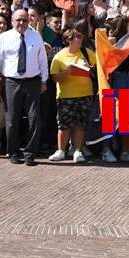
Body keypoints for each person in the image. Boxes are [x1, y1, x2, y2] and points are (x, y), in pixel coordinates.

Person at [0, 9, 50, 165]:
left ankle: (30, 154)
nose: (21, 23)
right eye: (18, 20)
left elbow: (43, 60)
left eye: (24, 20)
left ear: (29, 21)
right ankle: (13, 152)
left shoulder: (36, 36)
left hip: (33, 82)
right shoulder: (3, 38)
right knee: (12, 120)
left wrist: (44, 80)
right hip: (11, 82)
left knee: (34, 118)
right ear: (12, 21)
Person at [47, 25, 97, 164]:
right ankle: (61, 151)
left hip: (85, 94)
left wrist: (91, 70)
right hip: (66, 96)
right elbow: (55, 78)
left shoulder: (86, 52)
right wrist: (67, 72)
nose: (81, 39)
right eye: (78, 37)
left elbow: (98, 64)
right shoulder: (59, 56)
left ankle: (77, 151)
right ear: (69, 40)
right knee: (64, 125)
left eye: (81, 37)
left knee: (80, 125)